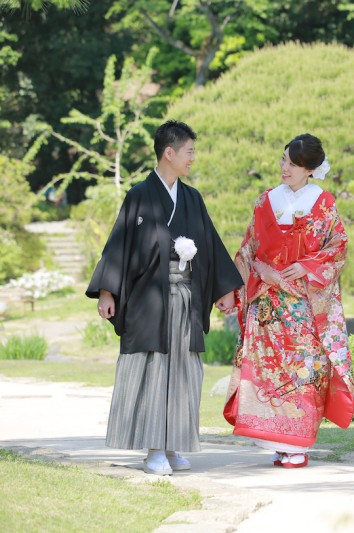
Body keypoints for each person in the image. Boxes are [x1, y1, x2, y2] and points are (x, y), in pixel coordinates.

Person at [86, 120, 243, 475]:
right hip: (149, 300)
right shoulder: (140, 195)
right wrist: (107, 291)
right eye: (188, 152)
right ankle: (154, 449)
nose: (192, 158)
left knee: (184, 370)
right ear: (168, 153)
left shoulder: (192, 198)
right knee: (154, 370)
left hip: (185, 298)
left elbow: (212, 247)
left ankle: (173, 445)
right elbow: (118, 247)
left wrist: (224, 290)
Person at [224, 133, 354, 468]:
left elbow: (337, 248)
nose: (285, 168)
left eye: (294, 164)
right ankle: (275, 439)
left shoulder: (323, 202)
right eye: (284, 160)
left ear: (310, 169)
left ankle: (298, 443)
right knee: (265, 369)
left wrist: (305, 266)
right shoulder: (265, 200)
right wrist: (262, 270)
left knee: (303, 369)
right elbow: (248, 248)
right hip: (266, 302)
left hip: (302, 302)